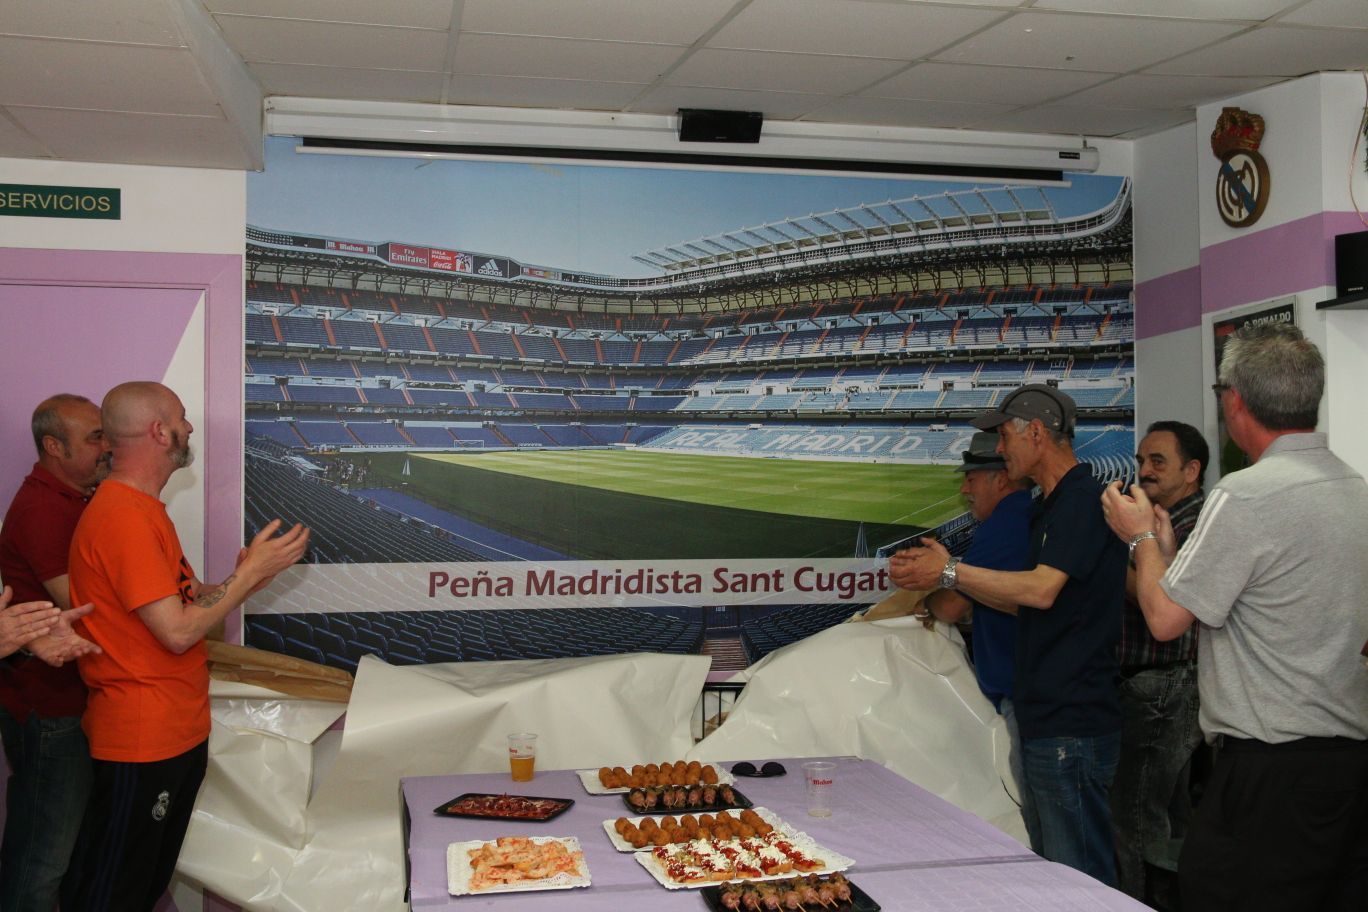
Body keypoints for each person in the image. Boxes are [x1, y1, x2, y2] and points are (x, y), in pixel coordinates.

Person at [1102, 323, 1368, 911]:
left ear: (1234, 401)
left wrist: (1141, 536)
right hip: (1345, 765)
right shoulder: (1356, 488)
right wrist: (1166, 555)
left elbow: (1165, 620)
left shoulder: (1246, 494)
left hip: (1269, 773)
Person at [66, 381, 310, 912]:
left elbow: (190, 603)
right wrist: (245, 580)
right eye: (181, 416)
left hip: (169, 731)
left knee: (139, 883)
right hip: (141, 738)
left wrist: (246, 577)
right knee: (111, 892)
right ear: (158, 431)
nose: (190, 425)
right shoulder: (124, 516)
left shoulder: (143, 510)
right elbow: (177, 631)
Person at [893, 384, 1126, 886]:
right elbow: (1028, 602)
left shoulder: (1081, 500)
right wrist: (950, 579)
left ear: (1036, 433)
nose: (1000, 449)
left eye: (1004, 436)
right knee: (1055, 869)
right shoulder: (1052, 504)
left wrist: (950, 573)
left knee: (1078, 878)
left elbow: (1041, 591)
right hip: (1050, 713)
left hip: (1072, 719)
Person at [0, 394, 110, 912]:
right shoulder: (43, 509)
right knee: (41, 864)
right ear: (53, 447)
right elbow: (86, 609)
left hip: (72, 702)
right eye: (95, 437)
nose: (107, 446)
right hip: (49, 710)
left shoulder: (79, 498)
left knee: (67, 858)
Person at [890, 431, 1032, 774]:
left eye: (971, 479)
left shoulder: (1005, 523)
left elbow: (951, 606)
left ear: (1000, 479)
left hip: (1027, 696)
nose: (964, 490)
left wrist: (925, 605)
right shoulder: (1024, 516)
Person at [1110, 420, 1208, 903]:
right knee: (1164, 816)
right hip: (1160, 687)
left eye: (1158, 462)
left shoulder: (1195, 522)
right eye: (1142, 461)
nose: (1144, 471)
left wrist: (1114, 557)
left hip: (1163, 686)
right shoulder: (1165, 518)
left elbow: (1164, 605)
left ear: (1192, 471)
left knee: (1136, 819)